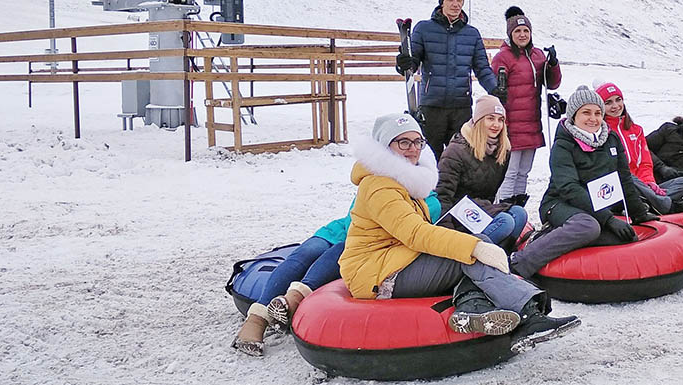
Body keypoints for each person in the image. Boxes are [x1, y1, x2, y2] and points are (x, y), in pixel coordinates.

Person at [337, 113, 578, 349]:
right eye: (403, 142)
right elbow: (415, 233)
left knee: (476, 243)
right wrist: (474, 247)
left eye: (417, 142)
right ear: (385, 147)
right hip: (376, 274)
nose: (412, 149)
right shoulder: (380, 186)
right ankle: (529, 315)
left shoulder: (401, 181)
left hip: (397, 260)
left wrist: (475, 244)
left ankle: (472, 308)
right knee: (469, 254)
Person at [231, 192, 442, 357]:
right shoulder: (374, 182)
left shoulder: (428, 199)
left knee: (339, 253)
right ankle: (256, 320)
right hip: (342, 231)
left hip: (366, 246)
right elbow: (355, 219)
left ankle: (292, 300)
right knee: (306, 254)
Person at [509, 86, 659, 278]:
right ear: (574, 116)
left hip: (596, 206)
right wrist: (608, 219)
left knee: (624, 236)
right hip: (560, 203)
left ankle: (560, 238)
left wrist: (640, 214)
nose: (593, 118)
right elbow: (569, 188)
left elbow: (624, 179)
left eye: (597, 113)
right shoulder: (564, 145)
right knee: (588, 226)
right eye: (586, 113)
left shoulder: (611, 138)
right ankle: (520, 262)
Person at [397, 0, 504, 160]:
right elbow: (412, 62)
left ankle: (457, 190)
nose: (455, 4)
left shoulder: (471, 34)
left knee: (461, 158)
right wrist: (404, 63)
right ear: (442, 2)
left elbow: (482, 68)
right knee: (430, 158)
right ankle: (430, 189)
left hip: (460, 108)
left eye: (459, 0)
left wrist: (495, 89)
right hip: (432, 108)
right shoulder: (424, 29)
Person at [490, 6, 561, 205]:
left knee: (524, 172)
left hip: (531, 123)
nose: (522, 35)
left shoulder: (537, 55)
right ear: (510, 34)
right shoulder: (502, 57)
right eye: (518, 31)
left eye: (526, 31)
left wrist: (553, 64)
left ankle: (518, 207)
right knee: (510, 172)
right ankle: (503, 207)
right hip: (511, 123)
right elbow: (493, 87)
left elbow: (552, 83)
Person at [436, 96, 529, 246]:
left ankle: (502, 257)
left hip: (481, 208)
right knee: (505, 222)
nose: (496, 125)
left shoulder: (502, 151)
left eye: (500, 120)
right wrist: (449, 235)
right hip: (456, 214)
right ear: (479, 121)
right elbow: (442, 196)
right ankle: (475, 256)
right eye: (490, 118)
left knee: (519, 213)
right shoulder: (456, 151)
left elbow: (490, 195)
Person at [596, 81, 683, 214]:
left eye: (618, 100)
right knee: (625, 175)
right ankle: (666, 206)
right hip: (621, 186)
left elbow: (645, 163)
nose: (615, 106)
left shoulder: (636, 130)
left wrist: (649, 183)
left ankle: (647, 203)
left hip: (642, 186)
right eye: (608, 103)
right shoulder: (601, 132)